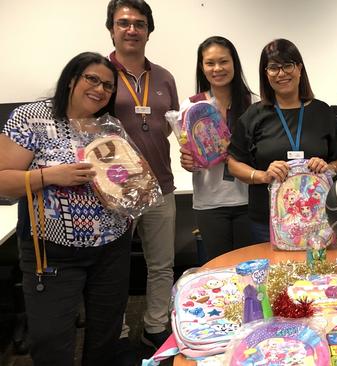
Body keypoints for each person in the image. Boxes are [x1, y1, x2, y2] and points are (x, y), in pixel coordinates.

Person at [0, 52, 131, 366]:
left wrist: (127, 189)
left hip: (112, 248)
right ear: (72, 78)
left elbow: (125, 182)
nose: (100, 89)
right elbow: (2, 183)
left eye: (108, 86)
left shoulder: (110, 126)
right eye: (92, 79)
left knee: (105, 338)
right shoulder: (32, 117)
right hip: (52, 251)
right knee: (52, 343)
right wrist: (49, 176)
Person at [105, 0, 179, 348]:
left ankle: (154, 327)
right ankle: (116, 330)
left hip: (161, 185)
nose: (131, 29)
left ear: (149, 30)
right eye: (123, 23)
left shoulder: (164, 77)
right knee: (112, 267)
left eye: (139, 23)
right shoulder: (98, 73)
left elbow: (171, 126)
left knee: (162, 264)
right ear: (112, 29)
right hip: (114, 191)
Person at [227, 39, 337, 243]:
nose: (281, 73)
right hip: (268, 222)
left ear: (299, 68)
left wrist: (327, 168)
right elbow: (233, 163)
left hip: (318, 219)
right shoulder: (254, 115)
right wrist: (263, 176)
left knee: (319, 274)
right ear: (266, 73)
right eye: (273, 68)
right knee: (273, 274)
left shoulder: (322, 112)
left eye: (288, 65)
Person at [178, 36, 255, 261]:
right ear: (202, 67)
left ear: (234, 64)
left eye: (224, 61)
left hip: (249, 201)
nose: (217, 68)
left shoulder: (254, 103)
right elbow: (188, 152)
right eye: (210, 63)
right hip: (209, 202)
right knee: (218, 269)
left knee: (249, 269)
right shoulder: (191, 106)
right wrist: (187, 161)